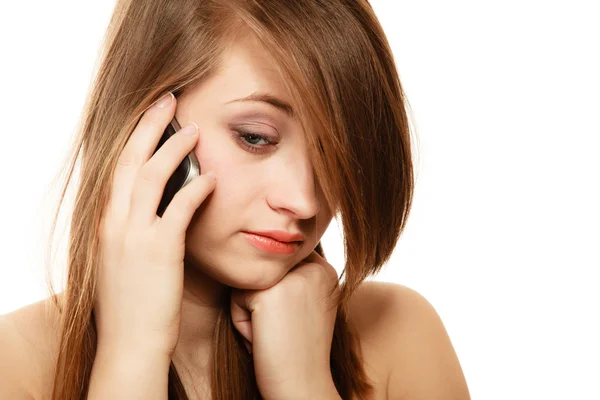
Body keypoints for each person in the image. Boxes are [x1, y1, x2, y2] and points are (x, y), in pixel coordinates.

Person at [0, 0, 470, 399]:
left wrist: (304, 383)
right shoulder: (17, 366)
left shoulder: (397, 336)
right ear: (148, 125)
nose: (305, 200)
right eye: (256, 137)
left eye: (336, 151)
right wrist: (131, 356)